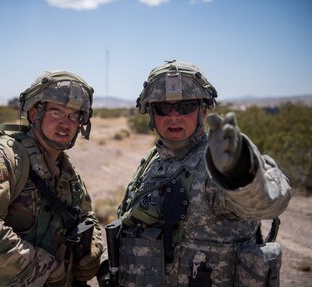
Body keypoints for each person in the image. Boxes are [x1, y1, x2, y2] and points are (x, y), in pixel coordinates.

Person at [109, 60, 291, 287]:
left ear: (203, 110)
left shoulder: (214, 164)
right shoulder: (153, 160)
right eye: (163, 108)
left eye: (186, 106)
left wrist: (243, 173)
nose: (174, 116)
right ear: (151, 113)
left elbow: (268, 203)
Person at [0, 70, 103, 286]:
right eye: (57, 112)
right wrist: (47, 270)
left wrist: (93, 247)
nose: (66, 123)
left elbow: (87, 216)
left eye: (74, 115)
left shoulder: (66, 170)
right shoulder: (0, 160)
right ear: (34, 114)